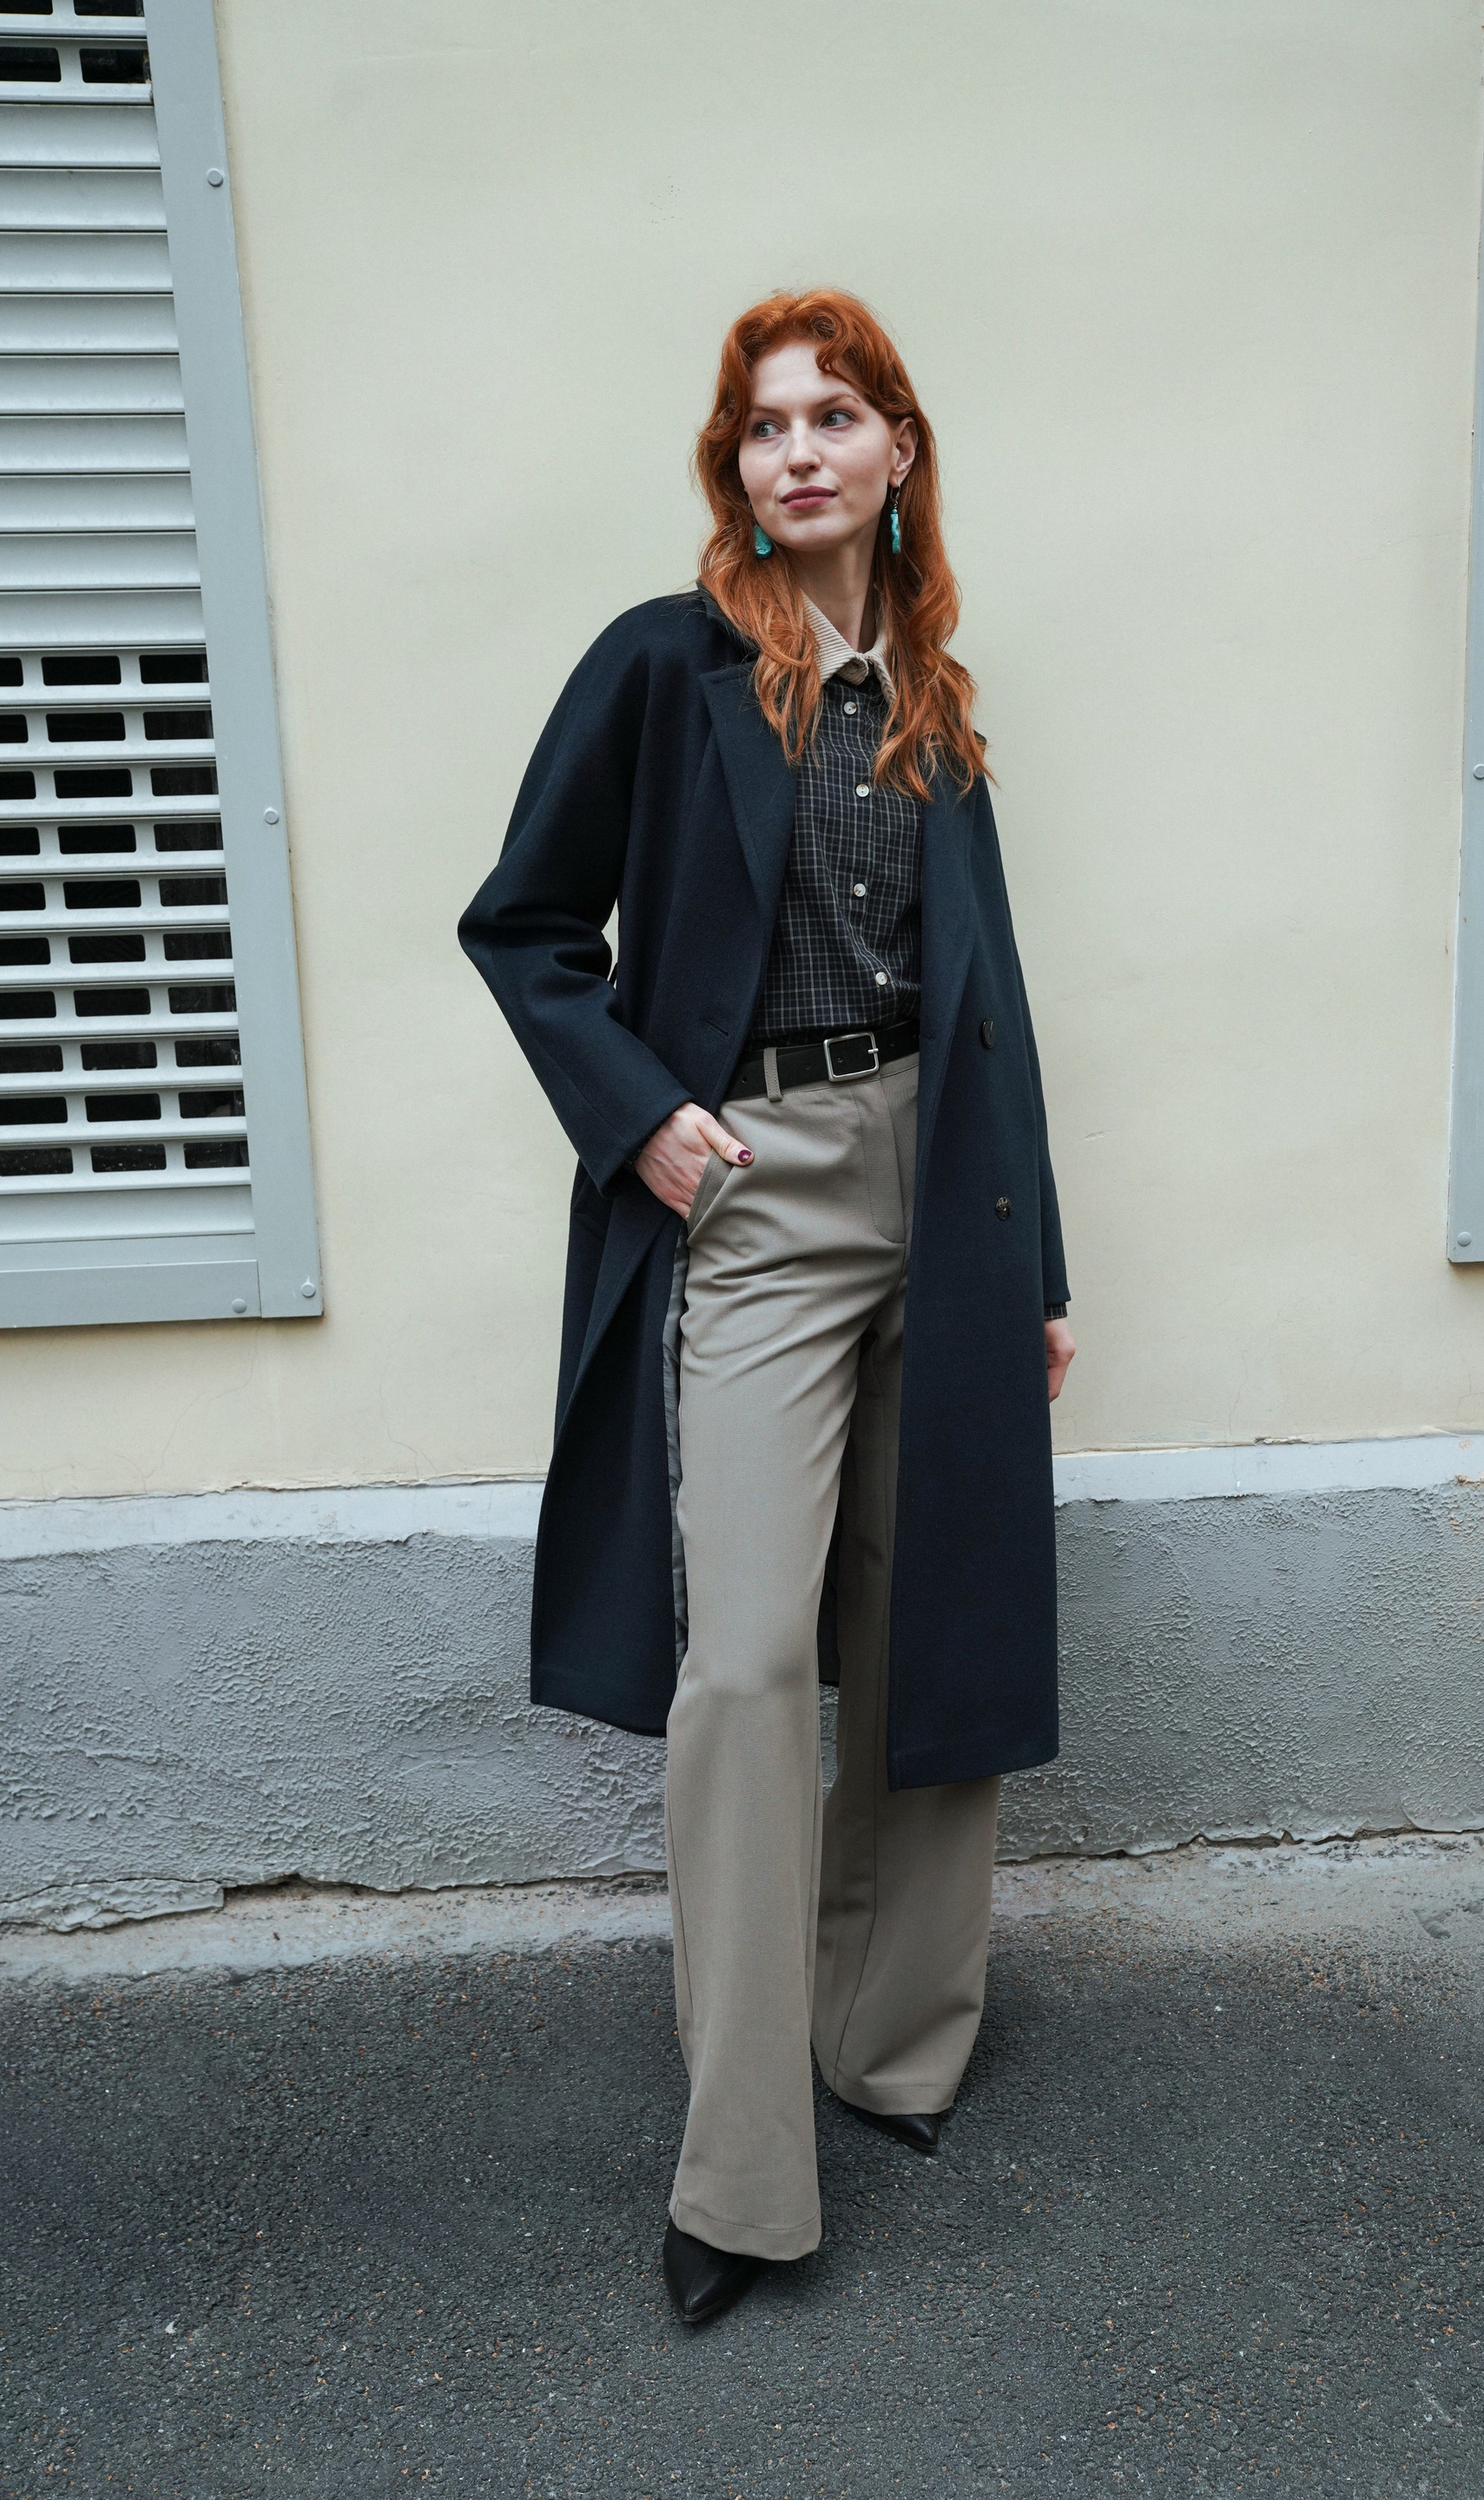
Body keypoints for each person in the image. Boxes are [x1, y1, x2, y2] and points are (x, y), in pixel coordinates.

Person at [459, 288, 1072, 2327]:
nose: (794, 450)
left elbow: (991, 1005)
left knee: (929, 1627)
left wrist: (1038, 1272)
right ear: (735, 468)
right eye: (761, 424)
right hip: (764, 1193)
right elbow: (524, 926)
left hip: (945, 1195)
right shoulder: (669, 664)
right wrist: (644, 1119)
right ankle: (738, 2170)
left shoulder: (937, 698)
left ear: (899, 453)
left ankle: (889, 2044)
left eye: (832, 416)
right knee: (743, 1668)